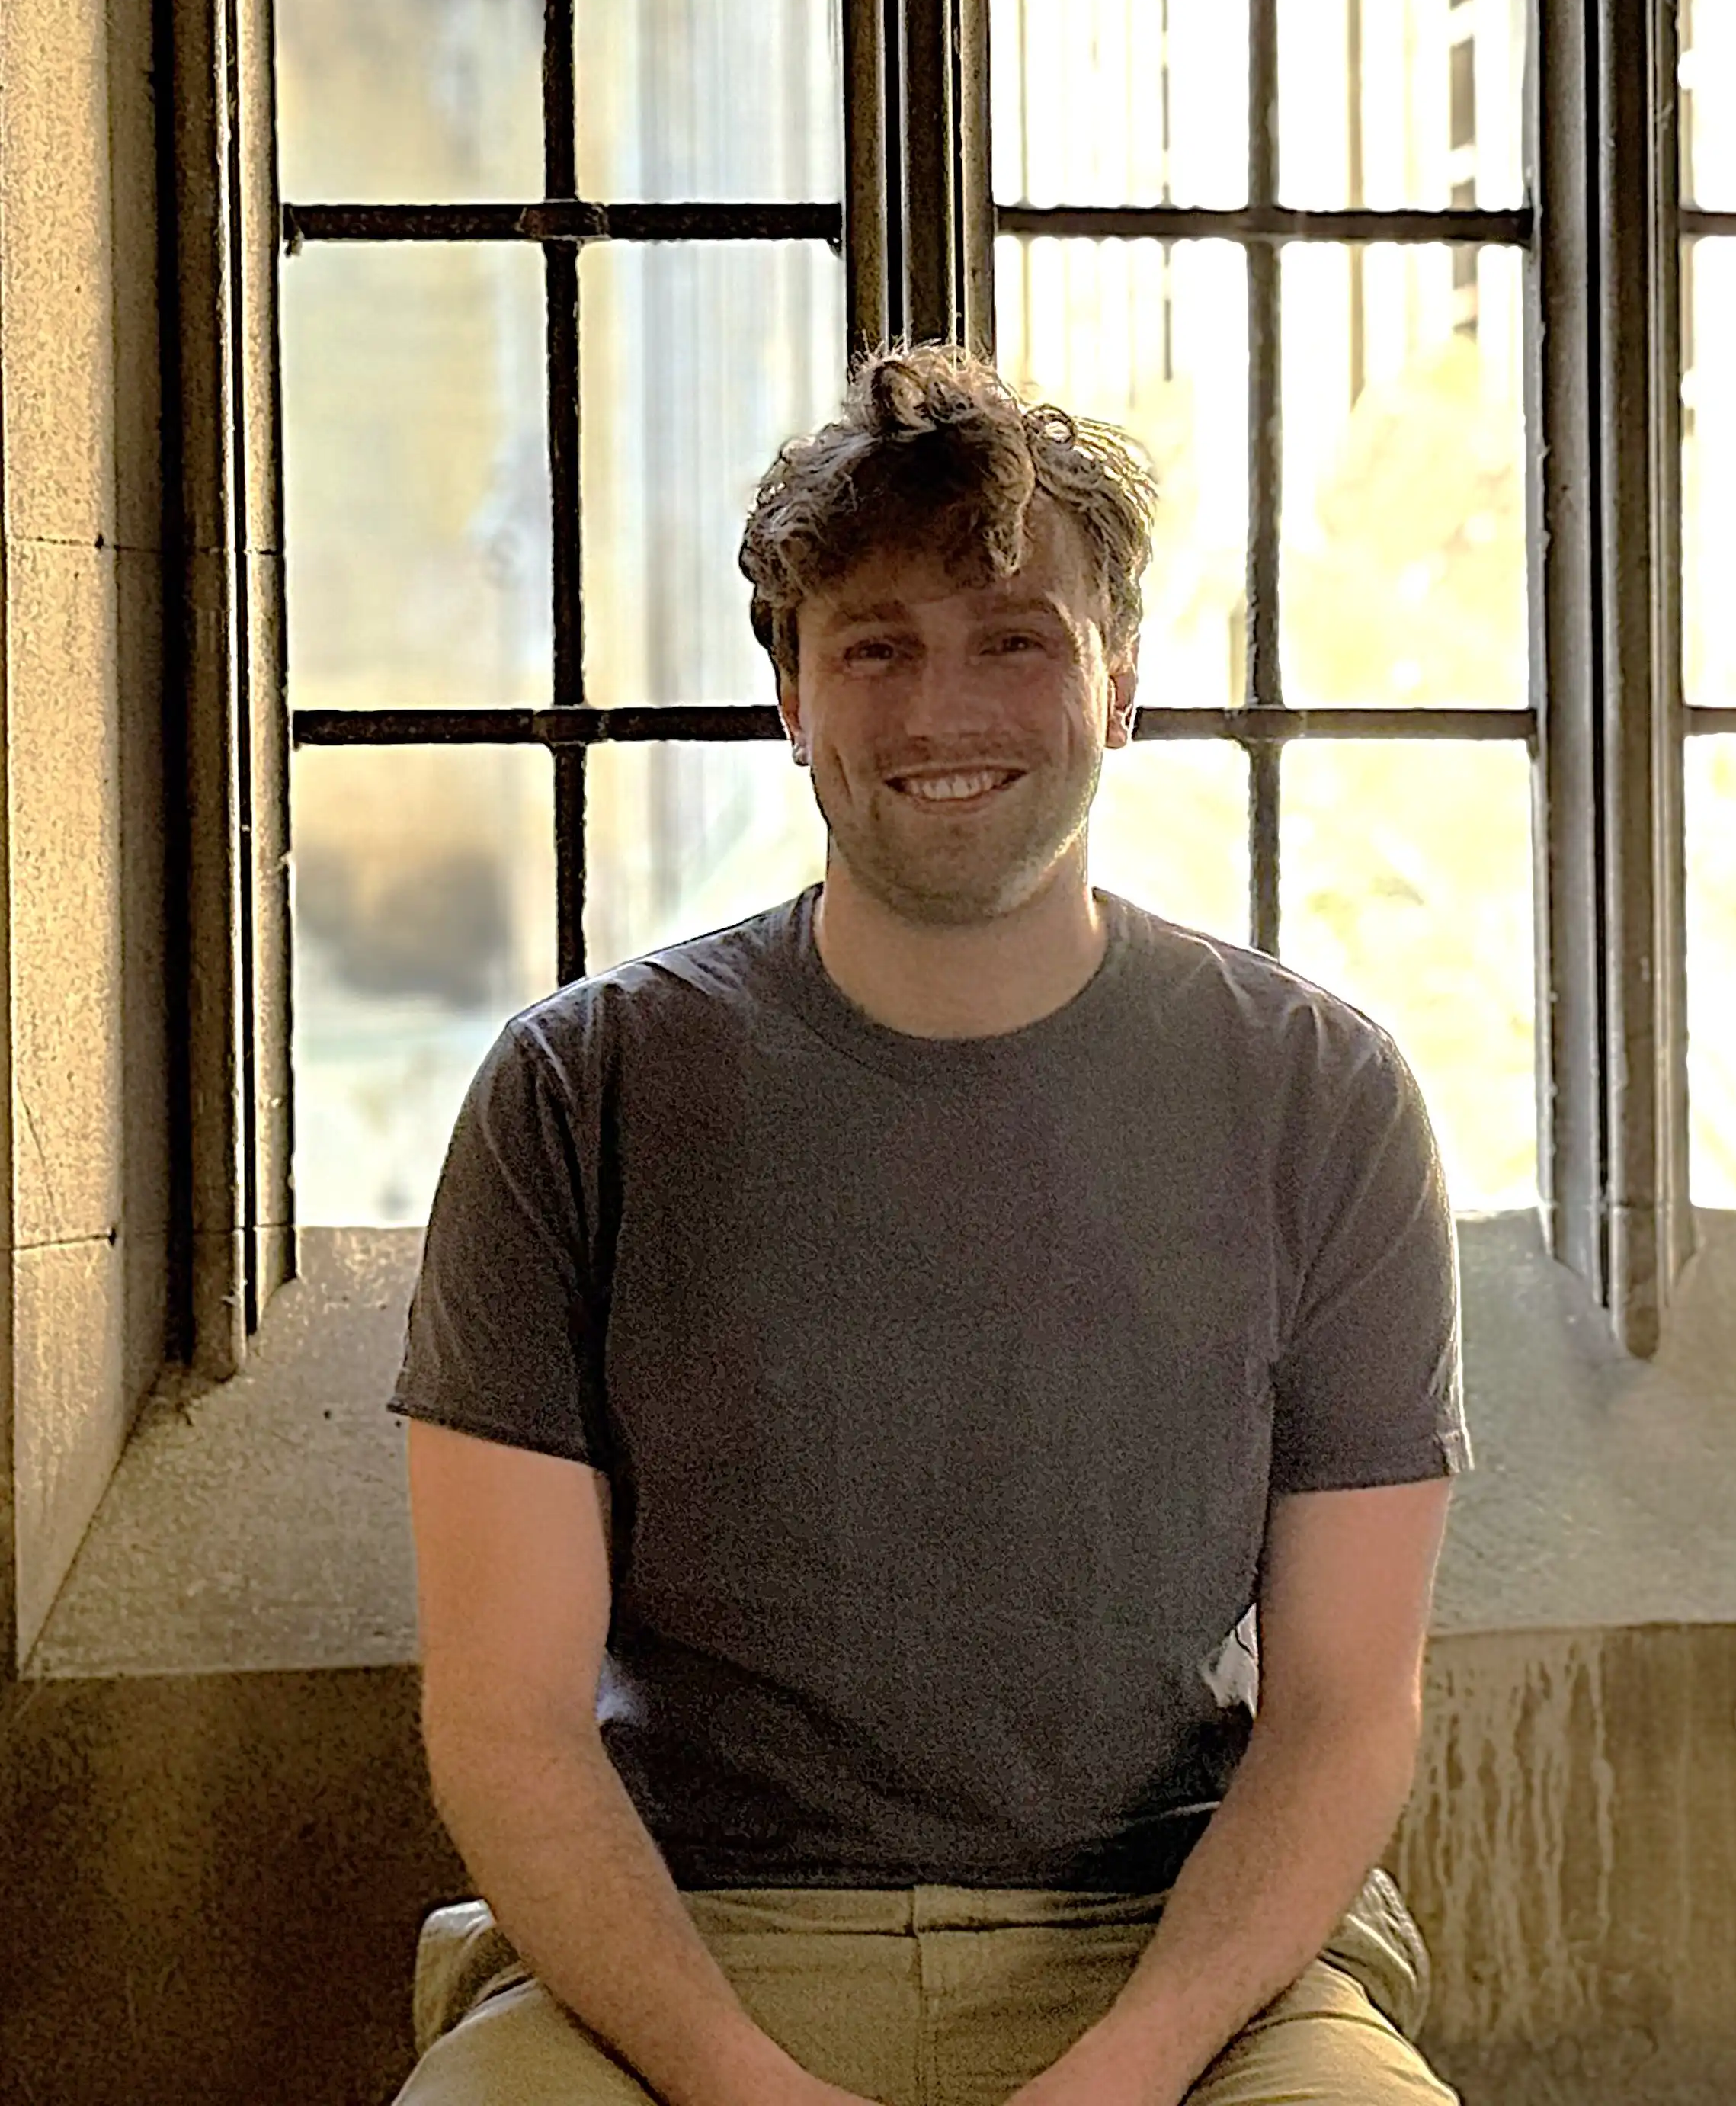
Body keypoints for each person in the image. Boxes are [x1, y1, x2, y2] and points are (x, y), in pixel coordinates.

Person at [389, 341, 1469, 2106]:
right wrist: (748, 2091)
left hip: (1176, 1962)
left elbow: (1348, 1712)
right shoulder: (576, 1095)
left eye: (1014, 640)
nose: (942, 708)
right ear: (792, 701)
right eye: (874, 647)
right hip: (679, 1952)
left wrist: (1122, 2077)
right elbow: (505, 1724)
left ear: (1119, 680)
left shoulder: (1321, 1096)